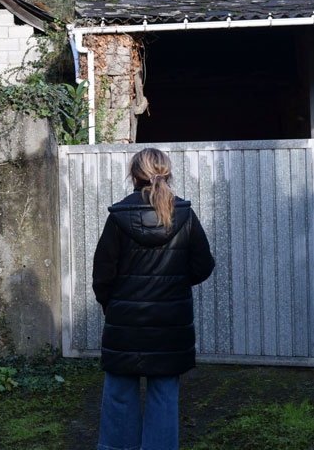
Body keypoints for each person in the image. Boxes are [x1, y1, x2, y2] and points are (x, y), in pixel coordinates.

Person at [92, 148, 215, 450]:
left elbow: (102, 277)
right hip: (170, 324)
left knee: (120, 394)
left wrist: (113, 306)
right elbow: (203, 266)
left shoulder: (119, 217)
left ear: (133, 176)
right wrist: (174, 287)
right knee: (164, 396)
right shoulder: (184, 215)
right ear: (167, 173)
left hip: (125, 322)